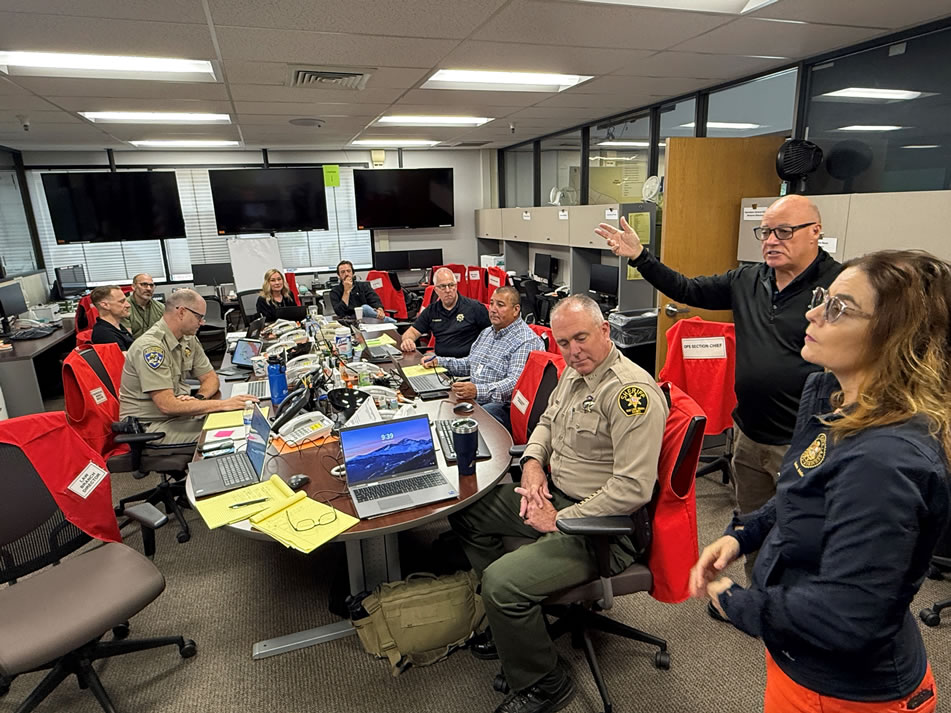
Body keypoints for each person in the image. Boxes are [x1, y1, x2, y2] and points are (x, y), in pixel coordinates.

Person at [690, 250, 951, 713]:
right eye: (822, 299)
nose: (813, 313)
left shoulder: (886, 460)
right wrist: (744, 534)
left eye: (839, 308)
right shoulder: (832, 395)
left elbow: (846, 616)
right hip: (800, 659)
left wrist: (737, 601)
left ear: (893, 335)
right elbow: (803, 488)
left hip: (845, 692)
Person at [596, 193, 840, 585]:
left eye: (784, 232)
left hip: (806, 439)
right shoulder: (748, 279)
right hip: (748, 431)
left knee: (803, 528)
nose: (771, 240)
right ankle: (759, 595)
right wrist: (641, 257)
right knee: (750, 522)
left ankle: (796, 609)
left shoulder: (838, 288)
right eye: (765, 232)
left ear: (815, 232)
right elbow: (687, 289)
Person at [449, 295, 667, 713]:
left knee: (501, 583)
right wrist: (532, 464)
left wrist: (561, 518)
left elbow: (633, 489)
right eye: (564, 342)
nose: (573, 351)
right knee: (468, 509)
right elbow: (546, 422)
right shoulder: (573, 372)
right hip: (555, 497)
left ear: (605, 331)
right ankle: (511, 622)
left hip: (601, 526)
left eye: (581, 338)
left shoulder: (629, 394)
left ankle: (546, 683)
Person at [119, 289, 257, 445]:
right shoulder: (151, 348)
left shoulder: (187, 338)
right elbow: (166, 405)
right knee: (237, 434)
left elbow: (210, 378)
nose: (202, 322)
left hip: (179, 417)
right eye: (199, 317)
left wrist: (198, 399)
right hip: (151, 426)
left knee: (240, 420)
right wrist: (223, 404)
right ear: (182, 312)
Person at [422, 286, 541, 430]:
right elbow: (469, 363)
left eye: (500, 305)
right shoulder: (487, 332)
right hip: (476, 399)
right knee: (438, 411)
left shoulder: (526, 341)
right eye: (491, 303)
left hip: (501, 407)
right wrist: (439, 361)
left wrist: (478, 390)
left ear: (516, 310)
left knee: (461, 424)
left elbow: (514, 384)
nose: (492, 309)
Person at [399, 267, 490, 357]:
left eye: (451, 285)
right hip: (441, 361)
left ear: (456, 286)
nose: (448, 290)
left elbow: (493, 334)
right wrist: (408, 340)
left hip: (467, 362)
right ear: (436, 290)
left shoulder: (475, 308)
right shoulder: (432, 310)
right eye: (442, 286)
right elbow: (412, 332)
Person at [329, 260, 395, 322]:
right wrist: (346, 291)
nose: (346, 274)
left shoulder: (363, 286)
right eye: (343, 272)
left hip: (369, 318)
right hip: (350, 319)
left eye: (348, 271)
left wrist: (380, 309)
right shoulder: (334, 291)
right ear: (339, 275)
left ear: (353, 273)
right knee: (364, 308)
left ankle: (388, 321)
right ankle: (391, 322)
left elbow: (374, 299)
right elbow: (340, 312)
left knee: (366, 308)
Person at [89, 285, 134, 351]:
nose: (128, 305)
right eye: (122, 301)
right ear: (105, 305)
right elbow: (124, 360)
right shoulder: (104, 334)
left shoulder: (118, 327)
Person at [122, 273, 165, 339]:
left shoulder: (161, 307)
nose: (149, 288)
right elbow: (127, 338)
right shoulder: (124, 307)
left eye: (151, 285)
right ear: (133, 287)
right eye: (144, 284)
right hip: (134, 347)